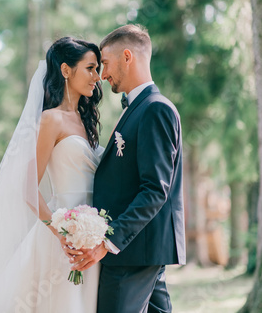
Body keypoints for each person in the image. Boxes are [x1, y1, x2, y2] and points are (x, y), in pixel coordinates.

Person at [0, 37, 103, 312]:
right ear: (66, 70)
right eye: (91, 68)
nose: (98, 76)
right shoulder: (50, 119)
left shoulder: (85, 119)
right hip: (62, 234)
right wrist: (61, 232)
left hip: (92, 236)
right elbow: (27, 188)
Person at [69, 24, 186, 313]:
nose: (102, 75)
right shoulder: (137, 108)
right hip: (141, 250)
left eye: (105, 64)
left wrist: (108, 241)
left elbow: (155, 190)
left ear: (127, 56)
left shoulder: (155, 109)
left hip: (132, 252)